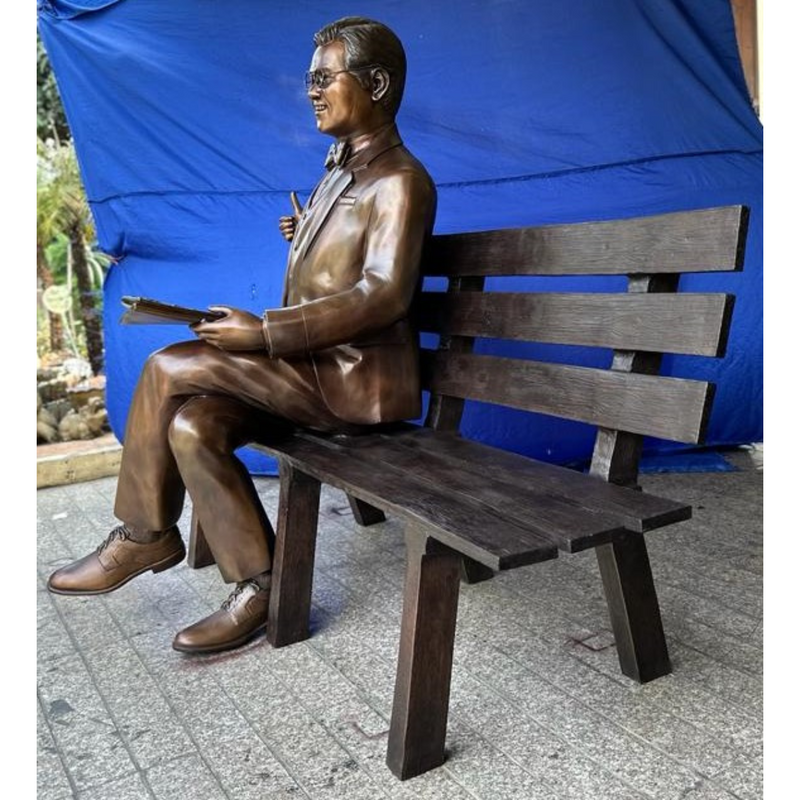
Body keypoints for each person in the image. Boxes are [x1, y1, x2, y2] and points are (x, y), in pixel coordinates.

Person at [47, 17, 437, 655]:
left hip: (351, 385)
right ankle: (263, 584)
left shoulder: (401, 181)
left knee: (170, 367)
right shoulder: (343, 174)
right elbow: (341, 270)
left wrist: (263, 332)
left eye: (322, 78)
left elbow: (383, 295)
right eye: (309, 80)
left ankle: (145, 536)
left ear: (377, 83)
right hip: (313, 367)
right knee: (193, 425)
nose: (311, 91)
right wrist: (306, 235)